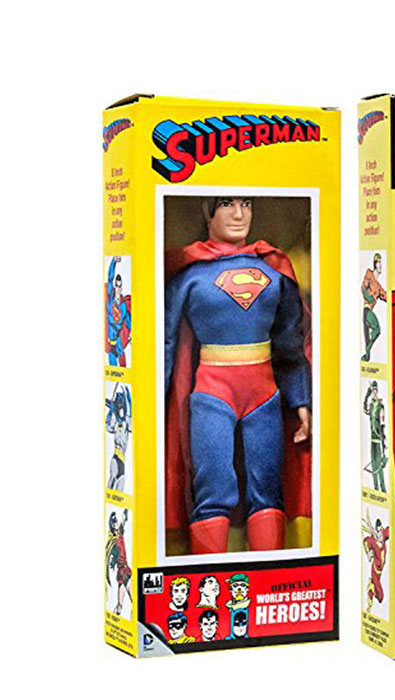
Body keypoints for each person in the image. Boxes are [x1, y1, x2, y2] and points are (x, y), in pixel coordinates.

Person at [165, 196, 311, 554]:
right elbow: (166, 342)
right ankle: (206, 578)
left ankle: (271, 575)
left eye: (246, 204)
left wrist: (300, 400)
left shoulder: (276, 272)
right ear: (208, 212)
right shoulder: (189, 275)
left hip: (265, 394)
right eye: (226, 205)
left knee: (268, 490)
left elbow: (290, 343)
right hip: (212, 392)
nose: (238, 214)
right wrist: (154, 398)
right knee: (212, 489)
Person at [105, 256, 131, 366]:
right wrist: (114, 262)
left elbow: (128, 320)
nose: (118, 289)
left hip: (119, 342)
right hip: (110, 341)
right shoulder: (111, 299)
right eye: (117, 285)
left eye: (120, 286)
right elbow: (110, 278)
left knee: (123, 366)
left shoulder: (123, 306)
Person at [105, 510, 132, 616]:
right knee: (135, 599)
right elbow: (109, 554)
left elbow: (123, 522)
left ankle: (113, 616)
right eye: (114, 522)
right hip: (123, 571)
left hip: (124, 570)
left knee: (120, 605)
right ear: (111, 524)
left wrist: (125, 514)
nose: (116, 524)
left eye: (116, 521)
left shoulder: (120, 534)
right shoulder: (113, 539)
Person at [105, 383, 131, 491]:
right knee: (112, 481)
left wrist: (129, 401)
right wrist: (110, 411)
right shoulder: (116, 424)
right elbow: (108, 426)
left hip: (122, 461)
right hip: (116, 458)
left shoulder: (127, 423)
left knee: (120, 485)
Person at [361, 253, 387, 362]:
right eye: (379, 262)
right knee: (377, 329)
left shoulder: (379, 287)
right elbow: (363, 288)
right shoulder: (369, 274)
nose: (381, 265)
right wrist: (370, 298)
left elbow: (386, 296)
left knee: (374, 334)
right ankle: (367, 350)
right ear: (375, 264)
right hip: (366, 311)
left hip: (369, 311)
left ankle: (367, 353)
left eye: (381, 263)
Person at [363, 381, 387, 492]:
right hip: (372, 439)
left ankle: (383, 488)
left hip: (379, 438)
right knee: (373, 464)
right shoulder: (371, 405)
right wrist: (367, 394)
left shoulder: (380, 406)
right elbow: (365, 408)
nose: (374, 393)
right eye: (372, 391)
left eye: (375, 391)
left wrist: (384, 443)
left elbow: (382, 424)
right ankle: (375, 488)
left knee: (379, 466)